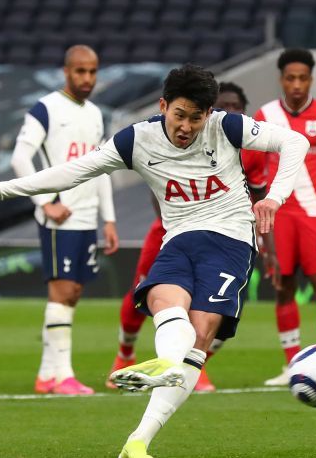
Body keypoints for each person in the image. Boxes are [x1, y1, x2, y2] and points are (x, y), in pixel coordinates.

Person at [0, 64, 307, 458]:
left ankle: (139, 438)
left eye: (195, 118)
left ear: (207, 114)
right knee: (164, 302)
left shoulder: (227, 127)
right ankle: (165, 364)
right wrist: (2, 189)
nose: (185, 126)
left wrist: (274, 198)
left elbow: (295, 143)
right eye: (178, 114)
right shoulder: (136, 139)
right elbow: (72, 172)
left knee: (201, 333)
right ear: (163, 105)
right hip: (180, 239)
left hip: (231, 239)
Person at [106, 81, 271, 393]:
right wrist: (177, 230)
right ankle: (123, 355)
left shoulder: (251, 148)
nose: (231, 112)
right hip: (172, 231)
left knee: (218, 309)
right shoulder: (189, 136)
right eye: (225, 106)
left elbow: (258, 194)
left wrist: (264, 242)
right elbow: (161, 189)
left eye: (237, 107)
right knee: (145, 291)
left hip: (227, 237)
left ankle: (195, 364)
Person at [10, 45, 119, 396]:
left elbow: (102, 167)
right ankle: (63, 376)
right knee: (62, 291)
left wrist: (110, 219)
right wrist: (45, 203)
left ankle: (47, 374)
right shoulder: (46, 109)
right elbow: (20, 158)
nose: (87, 78)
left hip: (87, 216)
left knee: (72, 294)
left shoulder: (95, 113)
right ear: (66, 71)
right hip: (61, 215)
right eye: (80, 71)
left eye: (92, 72)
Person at [243, 49, 316, 386]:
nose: (297, 84)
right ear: (281, 79)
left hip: (315, 215)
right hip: (280, 214)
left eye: (303, 78)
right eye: (291, 78)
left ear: (311, 80)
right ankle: (292, 366)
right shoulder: (266, 115)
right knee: (283, 287)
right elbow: (254, 169)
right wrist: (259, 219)